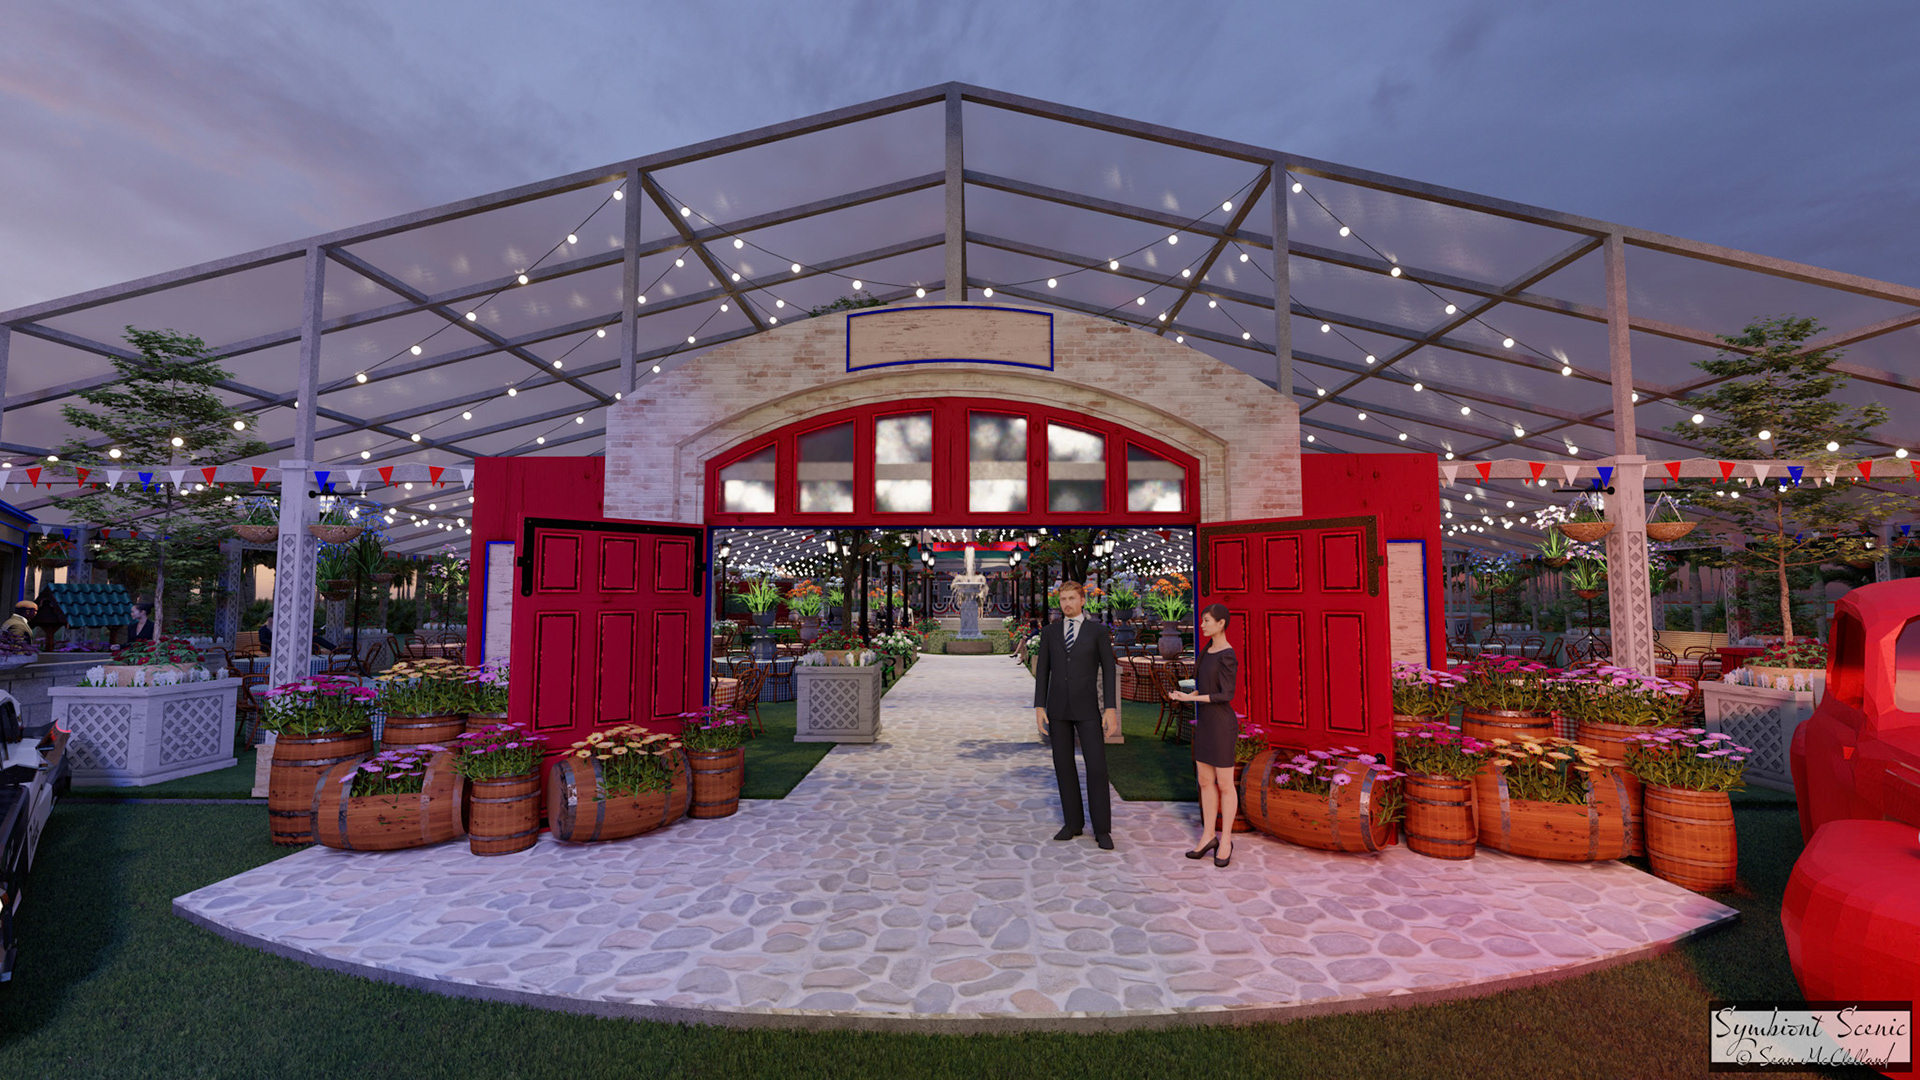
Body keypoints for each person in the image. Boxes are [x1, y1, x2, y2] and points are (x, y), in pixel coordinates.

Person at [1032, 579, 1120, 850]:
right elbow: (1042, 671)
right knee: (1063, 766)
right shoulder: (1050, 632)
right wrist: (1039, 706)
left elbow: (1108, 669)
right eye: (1063, 599)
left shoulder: (1097, 632)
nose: (1067, 604)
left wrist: (1110, 708)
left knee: (1097, 767)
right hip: (1057, 708)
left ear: (1082, 600)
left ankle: (1102, 829)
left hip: (1088, 709)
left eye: (1072, 598)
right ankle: (1073, 823)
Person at [1170, 603, 1238, 867]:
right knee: (1205, 780)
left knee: (1225, 784)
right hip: (1206, 723)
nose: (1202, 625)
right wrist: (1186, 696)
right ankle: (1209, 835)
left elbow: (1226, 695)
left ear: (1221, 623)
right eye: (1202, 620)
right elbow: (1204, 689)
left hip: (1221, 725)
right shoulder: (1206, 652)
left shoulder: (1227, 655)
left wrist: (1193, 698)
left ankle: (1226, 840)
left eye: (1207, 621)